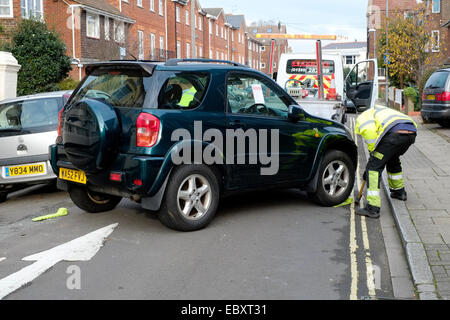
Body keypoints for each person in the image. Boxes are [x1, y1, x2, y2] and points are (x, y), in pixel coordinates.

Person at [355, 106, 417, 219]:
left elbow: (370, 136)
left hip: (395, 135)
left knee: (373, 169)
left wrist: (373, 157)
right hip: (411, 133)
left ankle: (373, 208)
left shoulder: (362, 118)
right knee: (393, 159)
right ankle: (399, 192)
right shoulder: (380, 111)